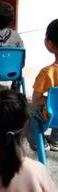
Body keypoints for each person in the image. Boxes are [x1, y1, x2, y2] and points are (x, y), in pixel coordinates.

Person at [26, 19, 58, 152]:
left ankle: (39, 143)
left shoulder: (48, 72)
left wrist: (51, 100)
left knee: (26, 109)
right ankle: (56, 141)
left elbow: (36, 99)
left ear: (49, 44)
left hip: (53, 115)